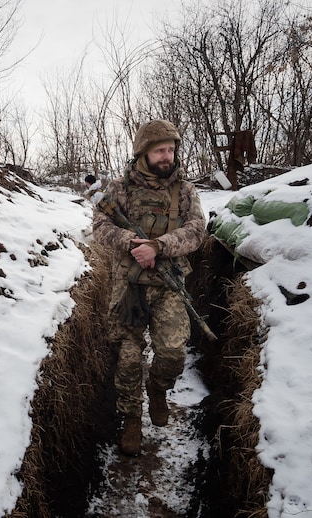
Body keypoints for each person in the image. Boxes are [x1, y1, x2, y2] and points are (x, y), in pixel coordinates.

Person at [92, 119, 207, 456]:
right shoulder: (120, 189)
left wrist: (159, 246)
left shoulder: (184, 190)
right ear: (143, 153)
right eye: (160, 150)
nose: (167, 156)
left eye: (171, 149)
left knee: (172, 354)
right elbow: (100, 226)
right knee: (128, 358)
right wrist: (130, 242)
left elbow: (198, 230)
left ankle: (158, 389)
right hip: (128, 285)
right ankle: (131, 419)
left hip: (168, 285)